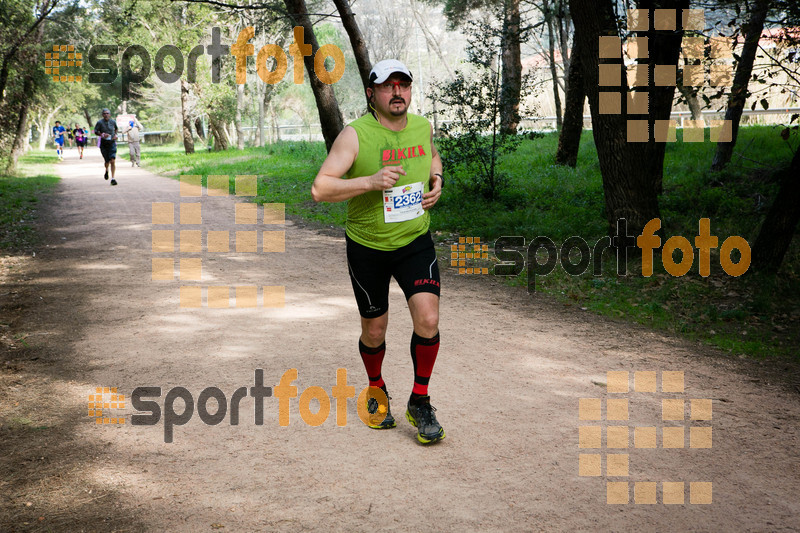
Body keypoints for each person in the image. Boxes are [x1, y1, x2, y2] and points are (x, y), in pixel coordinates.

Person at [311, 59, 446, 445]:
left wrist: (437, 178)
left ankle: (420, 401)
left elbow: (432, 157)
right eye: (389, 86)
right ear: (372, 94)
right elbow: (320, 189)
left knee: (429, 318)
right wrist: (369, 181)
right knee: (375, 329)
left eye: (403, 84)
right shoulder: (355, 135)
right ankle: (376, 389)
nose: (398, 92)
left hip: (414, 241)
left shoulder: (421, 126)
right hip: (368, 246)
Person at [94, 108, 118, 186]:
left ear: (110, 114)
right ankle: (106, 170)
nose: (106, 115)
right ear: (102, 115)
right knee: (107, 161)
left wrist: (115, 135)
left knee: (113, 160)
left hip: (112, 143)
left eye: (107, 113)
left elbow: (116, 129)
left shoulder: (113, 122)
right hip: (104, 144)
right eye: (104, 113)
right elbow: (95, 131)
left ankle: (113, 178)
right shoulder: (99, 122)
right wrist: (102, 134)